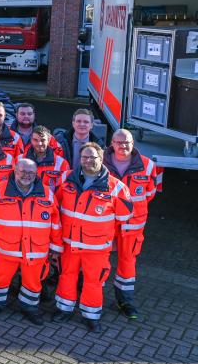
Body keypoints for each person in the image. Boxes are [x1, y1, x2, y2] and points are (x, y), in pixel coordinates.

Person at [53, 142, 133, 332]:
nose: (88, 161)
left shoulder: (116, 188)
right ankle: (64, 309)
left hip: (96, 248)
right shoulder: (67, 178)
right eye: (84, 157)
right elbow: (57, 206)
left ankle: (91, 316)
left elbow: (124, 217)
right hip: (69, 244)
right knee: (66, 276)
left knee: (94, 282)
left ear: (101, 158)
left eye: (92, 157)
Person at [0, 158, 62, 325]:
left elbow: (55, 223)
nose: (26, 175)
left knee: (33, 282)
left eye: (31, 172)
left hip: (36, 250)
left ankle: (29, 307)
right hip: (5, 248)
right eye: (22, 171)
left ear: (36, 174)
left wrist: (56, 246)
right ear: (15, 171)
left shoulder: (48, 194)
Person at [103, 129, 160, 320]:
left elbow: (150, 194)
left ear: (133, 143)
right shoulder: (100, 162)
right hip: (106, 224)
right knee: (100, 262)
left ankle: (125, 301)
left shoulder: (148, 165)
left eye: (126, 142)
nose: (123, 146)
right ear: (112, 143)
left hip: (132, 226)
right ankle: (94, 300)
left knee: (127, 264)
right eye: (119, 142)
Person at [21, 126, 70, 194]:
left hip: (50, 203)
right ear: (31, 140)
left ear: (49, 140)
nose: (39, 143)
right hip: (26, 202)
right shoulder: (20, 159)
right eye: (35, 140)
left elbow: (64, 190)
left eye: (43, 140)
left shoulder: (61, 163)